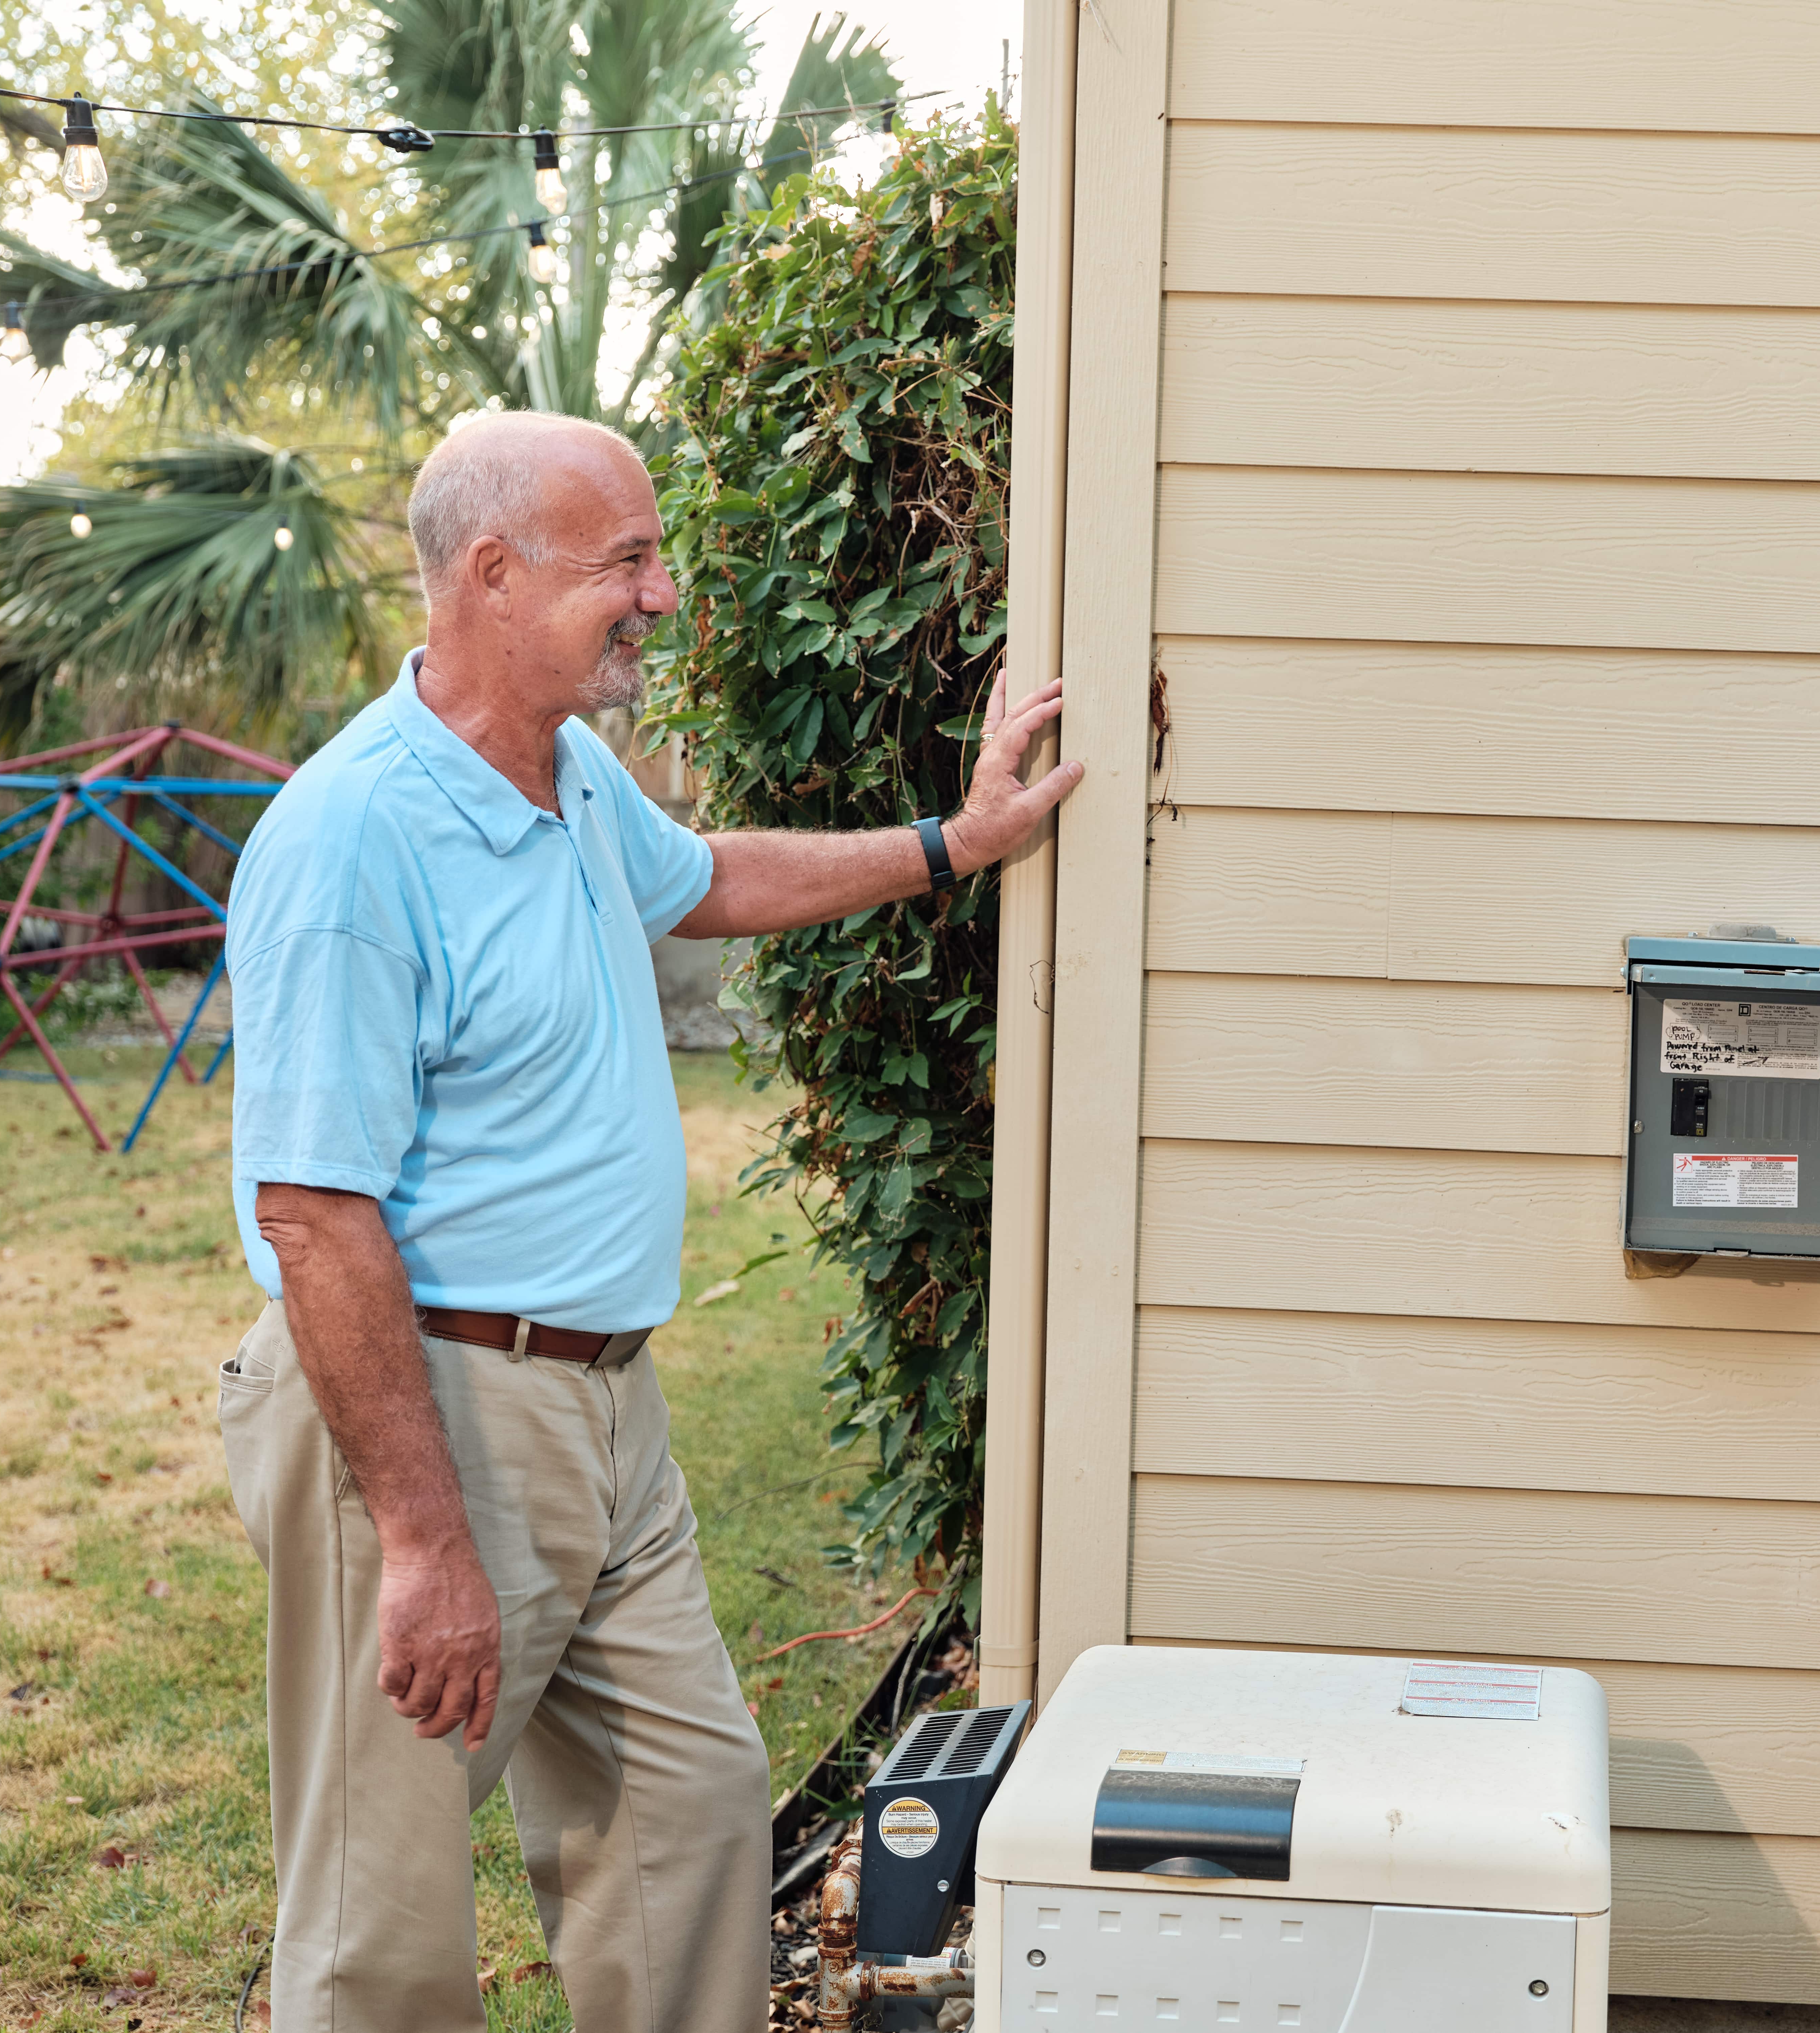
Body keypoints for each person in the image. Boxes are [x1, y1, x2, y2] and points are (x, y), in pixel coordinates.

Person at [216, 410, 1081, 2033]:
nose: (661, 596)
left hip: (607, 1406)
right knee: (376, 1913)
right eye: (626, 559)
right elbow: (316, 1216)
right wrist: (421, 1537)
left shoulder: (562, 777)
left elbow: (705, 880)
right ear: (489, 573)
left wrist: (949, 847)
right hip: (426, 1406)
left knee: (685, 1819)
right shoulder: (354, 843)